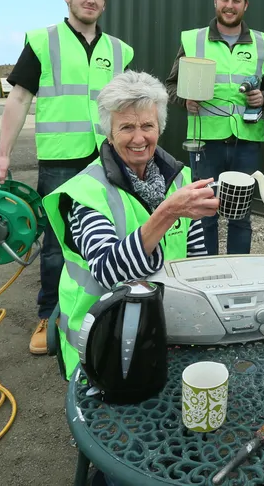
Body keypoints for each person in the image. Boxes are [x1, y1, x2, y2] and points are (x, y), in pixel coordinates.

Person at [0, 0, 135, 356]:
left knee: (112, 233)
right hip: (60, 159)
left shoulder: (120, 51)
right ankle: (50, 314)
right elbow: (19, 100)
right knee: (57, 243)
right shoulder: (43, 42)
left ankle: (109, 312)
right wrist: (3, 154)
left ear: (104, 2)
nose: (91, 0)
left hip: (106, 157)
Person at [42, 71, 217, 380]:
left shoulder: (181, 180)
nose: (139, 138)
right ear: (109, 133)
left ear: (160, 129)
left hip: (168, 327)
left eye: (147, 125)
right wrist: (166, 214)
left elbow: (197, 261)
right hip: (103, 342)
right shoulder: (87, 192)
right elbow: (108, 273)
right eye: (126, 127)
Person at [164, 0, 264, 255]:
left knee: (241, 215)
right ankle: (207, 269)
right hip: (206, 142)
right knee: (205, 211)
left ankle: (238, 270)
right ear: (216, 2)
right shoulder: (193, 40)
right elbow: (170, 85)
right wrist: (184, 100)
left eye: (236, 1)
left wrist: (263, 97)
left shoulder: (262, 44)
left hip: (246, 141)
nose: (230, 6)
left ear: (246, 5)